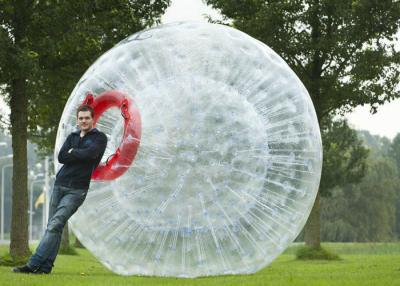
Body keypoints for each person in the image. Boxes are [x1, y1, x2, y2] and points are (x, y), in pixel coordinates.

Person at [13, 104, 107, 274]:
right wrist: (78, 153)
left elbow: (92, 154)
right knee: (54, 226)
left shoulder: (100, 138)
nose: (84, 121)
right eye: (81, 118)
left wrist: (74, 152)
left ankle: (32, 264)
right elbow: (62, 156)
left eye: (87, 118)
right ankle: (46, 267)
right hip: (59, 184)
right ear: (77, 120)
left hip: (77, 190)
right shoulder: (71, 136)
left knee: (54, 225)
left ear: (92, 119)